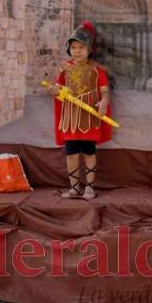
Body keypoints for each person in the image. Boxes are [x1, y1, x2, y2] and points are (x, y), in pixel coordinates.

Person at [49, 21, 111, 200]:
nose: (77, 51)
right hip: (70, 118)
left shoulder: (97, 70)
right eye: (73, 47)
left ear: (89, 49)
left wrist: (104, 103)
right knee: (71, 153)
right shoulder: (64, 69)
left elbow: (105, 92)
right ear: (69, 49)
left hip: (89, 117)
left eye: (81, 47)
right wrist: (54, 89)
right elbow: (57, 88)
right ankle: (75, 187)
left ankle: (90, 187)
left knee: (89, 152)